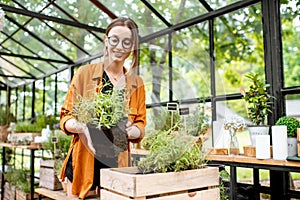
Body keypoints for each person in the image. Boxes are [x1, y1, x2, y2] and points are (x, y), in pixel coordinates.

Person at [59, 17, 146, 199]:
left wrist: (131, 131)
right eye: (114, 39)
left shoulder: (137, 83)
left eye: (127, 42)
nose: (120, 46)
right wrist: (81, 126)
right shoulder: (84, 74)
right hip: (83, 166)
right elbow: (66, 118)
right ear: (106, 40)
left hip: (117, 167)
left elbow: (141, 125)